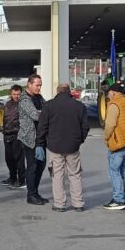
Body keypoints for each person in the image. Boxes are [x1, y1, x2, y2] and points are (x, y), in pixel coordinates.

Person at [36, 83, 89, 212]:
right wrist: (79, 140)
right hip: (73, 146)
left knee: (57, 175)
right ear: (69, 91)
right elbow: (85, 127)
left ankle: (59, 204)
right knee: (75, 174)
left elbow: (42, 126)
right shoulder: (79, 106)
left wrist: (40, 143)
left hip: (55, 146)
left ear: (57, 91)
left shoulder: (49, 105)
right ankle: (78, 203)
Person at [19, 74, 48, 205]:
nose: (39, 88)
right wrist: (45, 113)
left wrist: (45, 112)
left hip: (40, 138)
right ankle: (31, 195)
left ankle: (35, 192)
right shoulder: (25, 99)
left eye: (40, 85)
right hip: (29, 138)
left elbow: (48, 109)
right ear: (29, 84)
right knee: (32, 166)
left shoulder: (39, 98)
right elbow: (35, 115)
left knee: (41, 165)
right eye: (37, 85)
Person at [1, 84, 26, 188]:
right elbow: (5, 119)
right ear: (11, 94)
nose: (16, 96)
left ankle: (21, 180)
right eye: (14, 94)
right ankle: (12, 178)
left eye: (18, 94)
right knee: (9, 158)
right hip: (7, 134)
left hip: (18, 135)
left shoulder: (24, 104)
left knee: (19, 158)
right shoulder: (7, 104)